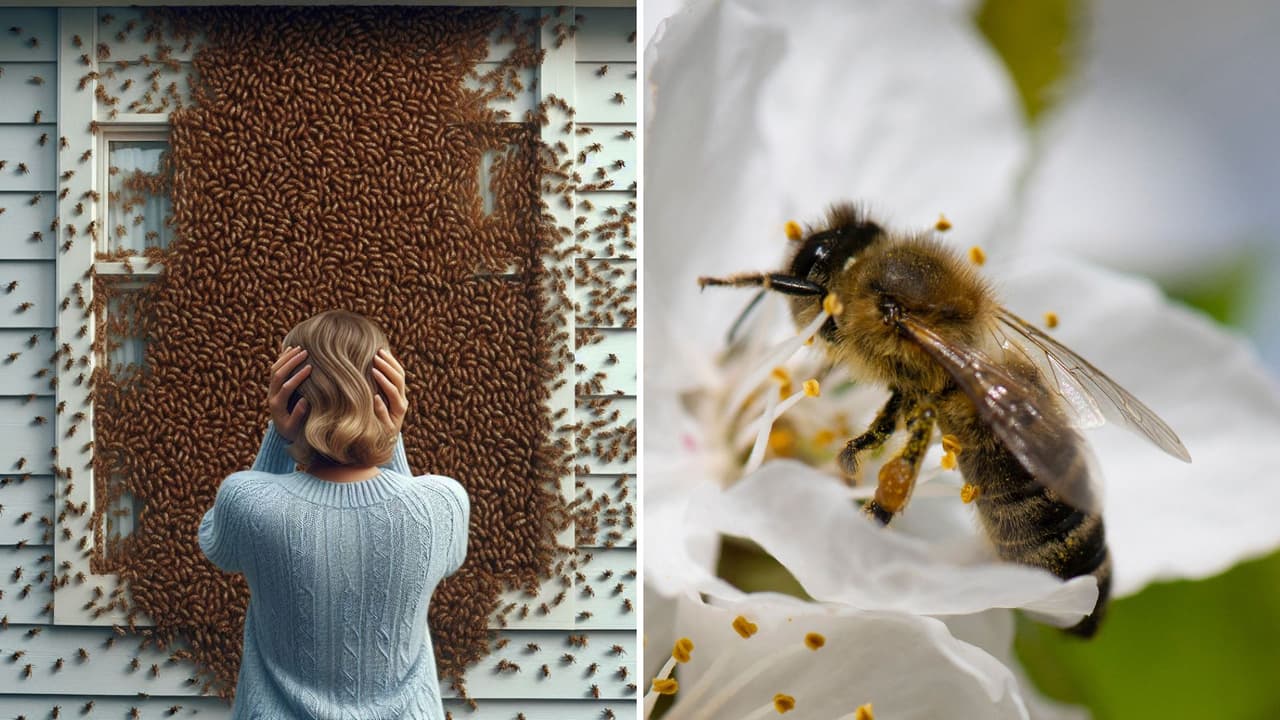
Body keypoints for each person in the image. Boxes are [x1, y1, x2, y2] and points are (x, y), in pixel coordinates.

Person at [198, 309, 470, 720]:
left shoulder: (245, 500)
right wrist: (387, 437)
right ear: (387, 396)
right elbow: (415, 520)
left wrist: (280, 435)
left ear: (289, 400)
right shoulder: (442, 504)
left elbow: (218, 543)